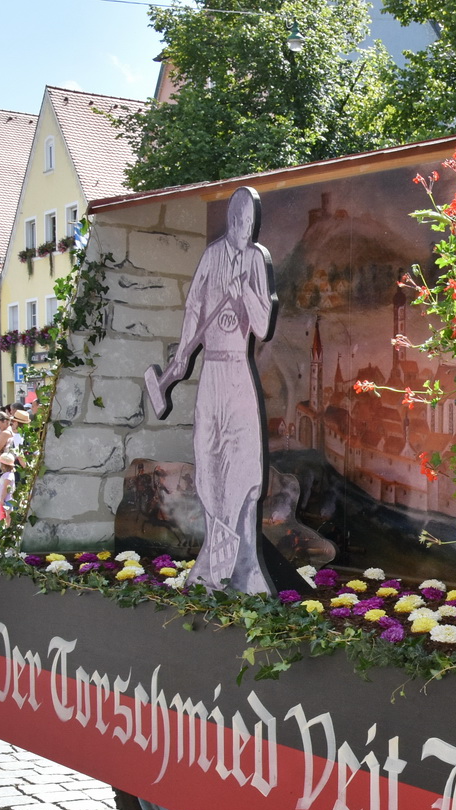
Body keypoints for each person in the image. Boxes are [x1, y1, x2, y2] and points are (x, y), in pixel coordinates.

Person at [144, 184, 278, 596]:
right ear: (231, 221)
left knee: (243, 464)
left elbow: (263, 325)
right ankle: (213, 561)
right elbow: (195, 308)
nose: (245, 230)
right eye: (240, 222)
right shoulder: (212, 256)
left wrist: (245, 293)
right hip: (212, 373)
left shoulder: (255, 259)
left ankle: (243, 567)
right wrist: (183, 355)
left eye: (250, 223)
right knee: (209, 458)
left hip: (238, 371)